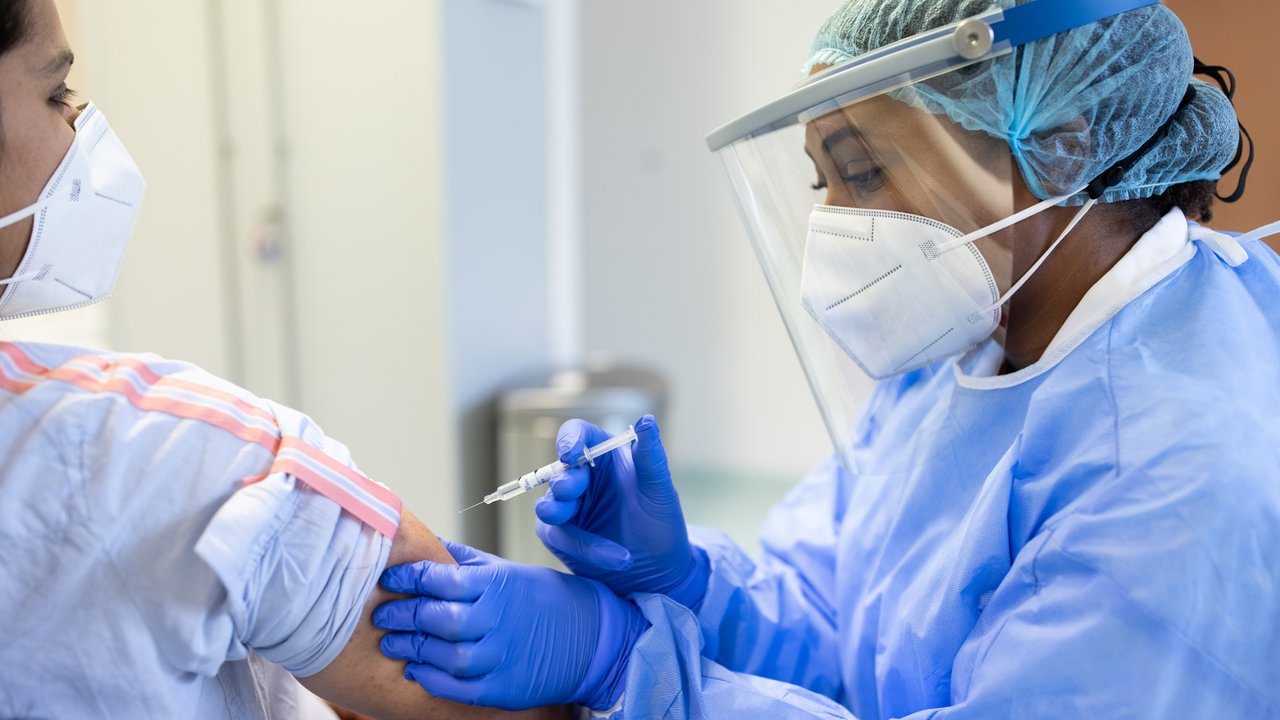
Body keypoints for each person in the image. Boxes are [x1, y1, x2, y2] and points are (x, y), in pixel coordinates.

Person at [374, 0, 1280, 717]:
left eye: (863, 170)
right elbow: (845, 627)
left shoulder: (1171, 473)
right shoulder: (971, 345)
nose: (834, 226)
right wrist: (689, 582)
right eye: (822, 180)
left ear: (1061, 146)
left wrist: (623, 667)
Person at [0, 1, 582, 717]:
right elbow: (511, 702)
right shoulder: (181, 458)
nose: (78, 128)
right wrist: (626, 632)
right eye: (56, 92)